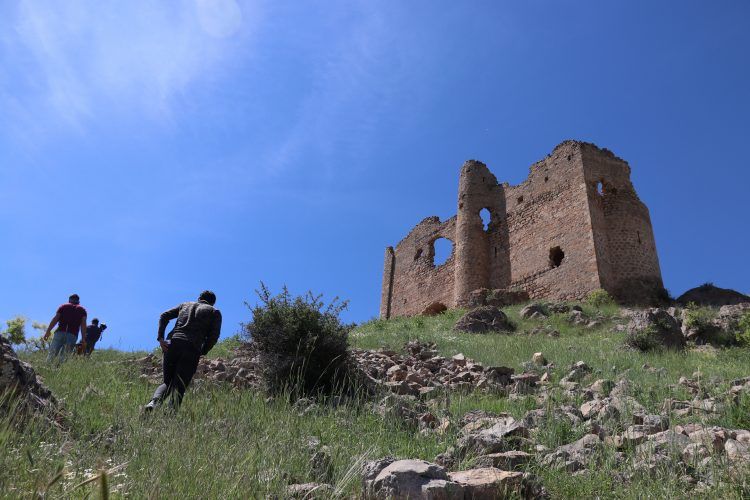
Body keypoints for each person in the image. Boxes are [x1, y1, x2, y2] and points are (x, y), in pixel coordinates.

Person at [143, 290, 222, 412]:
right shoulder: (214, 312)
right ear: (212, 302)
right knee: (180, 385)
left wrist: (160, 338)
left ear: (199, 298)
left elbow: (164, 315)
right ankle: (169, 416)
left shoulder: (185, 305)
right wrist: (203, 350)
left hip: (172, 344)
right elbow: (214, 336)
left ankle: (153, 402)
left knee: (167, 382)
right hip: (192, 347)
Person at [44, 294, 87, 363]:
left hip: (60, 332)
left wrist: (48, 331)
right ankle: (59, 370)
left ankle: (46, 368)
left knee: (52, 353)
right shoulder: (82, 310)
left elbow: (55, 319)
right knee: (64, 357)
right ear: (78, 301)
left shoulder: (63, 306)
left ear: (69, 300)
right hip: (72, 335)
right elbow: (83, 325)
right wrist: (83, 339)